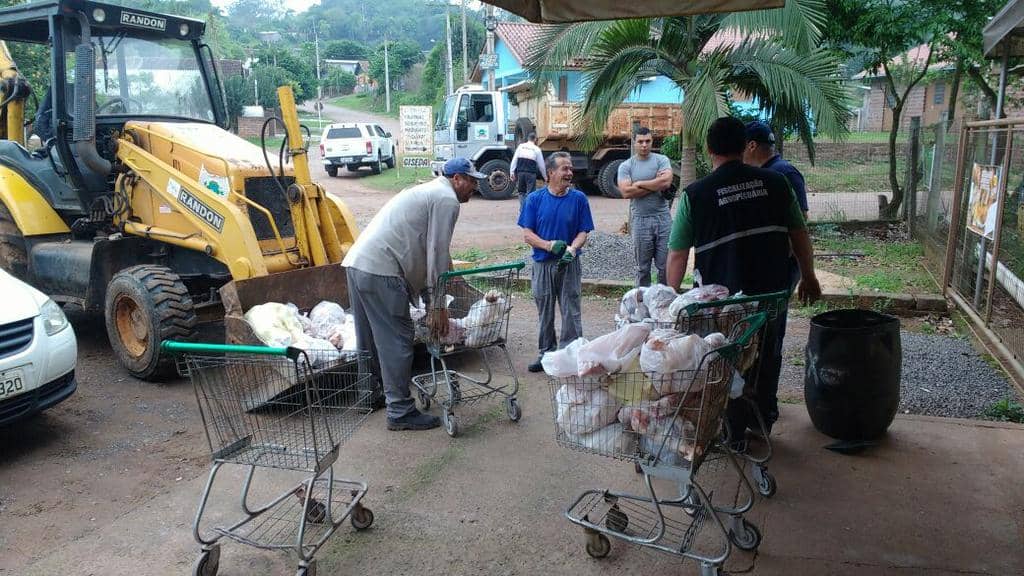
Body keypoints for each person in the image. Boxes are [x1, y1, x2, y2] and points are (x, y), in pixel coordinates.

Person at [666, 116, 821, 447]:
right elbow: (799, 234)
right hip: (770, 293)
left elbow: (678, 254)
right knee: (767, 352)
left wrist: (671, 299)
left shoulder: (696, 194)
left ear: (709, 150)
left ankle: (726, 425)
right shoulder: (777, 184)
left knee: (723, 359)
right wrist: (809, 277)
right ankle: (760, 420)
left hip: (720, 303)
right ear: (743, 147)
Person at [343, 157, 483, 431]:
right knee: (397, 341)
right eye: (471, 181)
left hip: (358, 263)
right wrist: (438, 304)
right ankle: (400, 411)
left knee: (369, 338)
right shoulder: (446, 199)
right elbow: (437, 253)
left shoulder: (428, 191)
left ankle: (369, 395)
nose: (474, 188)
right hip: (383, 270)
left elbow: (434, 250)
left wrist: (434, 296)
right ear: (456, 179)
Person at [519, 151, 595, 373]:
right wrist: (549, 245)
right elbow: (527, 234)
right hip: (543, 264)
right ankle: (546, 354)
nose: (569, 172)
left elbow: (583, 231)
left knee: (571, 308)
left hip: (569, 264)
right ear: (551, 172)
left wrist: (572, 248)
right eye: (565, 168)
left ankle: (570, 355)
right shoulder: (534, 199)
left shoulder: (579, 199)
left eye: (570, 168)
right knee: (545, 310)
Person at [616, 127, 674, 286]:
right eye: (640, 141)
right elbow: (626, 192)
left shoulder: (661, 160)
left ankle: (663, 300)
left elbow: (666, 182)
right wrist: (654, 184)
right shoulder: (626, 166)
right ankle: (642, 303)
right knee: (642, 268)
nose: (644, 145)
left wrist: (640, 183)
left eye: (647, 141)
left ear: (652, 141)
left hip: (663, 219)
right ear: (634, 142)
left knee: (665, 267)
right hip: (640, 221)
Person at [510, 132, 545, 210]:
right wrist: (545, 176)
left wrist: (512, 172)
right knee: (531, 193)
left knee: (521, 192)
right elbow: (541, 165)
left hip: (520, 173)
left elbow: (514, 160)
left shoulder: (520, 147)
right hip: (531, 173)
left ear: (528, 138)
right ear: (535, 139)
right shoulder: (537, 149)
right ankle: (528, 210)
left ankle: (522, 209)